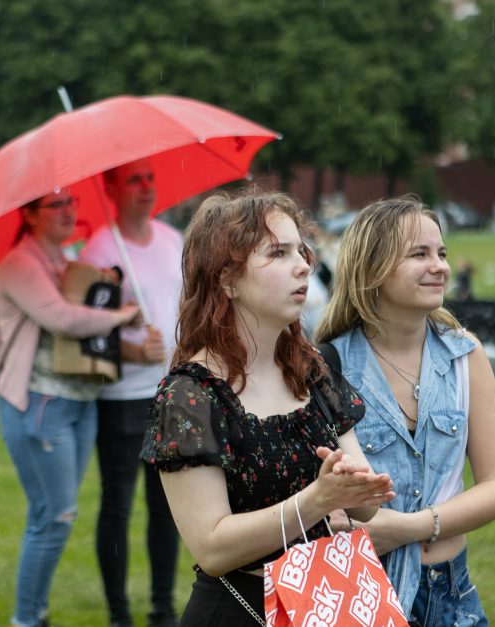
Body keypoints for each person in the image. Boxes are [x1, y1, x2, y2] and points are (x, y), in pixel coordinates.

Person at [140, 189, 396, 626]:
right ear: (226, 279)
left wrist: (357, 488)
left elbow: (365, 508)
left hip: (322, 600)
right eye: (278, 253)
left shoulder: (310, 368)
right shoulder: (189, 397)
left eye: (302, 250)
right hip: (238, 612)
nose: (303, 265)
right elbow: (212, 548)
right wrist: (317, 500)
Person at [314, 196, 495, 625]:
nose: (440, 266)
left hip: (451, 594)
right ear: (373, 269)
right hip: (363, 590)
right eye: (419, 254)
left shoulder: (465, 355)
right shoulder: (327, 365)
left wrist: (410, 526)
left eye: (441, 253)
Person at [0, 189, 142, 627]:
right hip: (42, 404)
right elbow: (61, 319)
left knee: (59, 515)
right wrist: (121, 316)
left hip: (81, 403)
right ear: (29, 214)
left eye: (70, 203)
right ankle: (27, 619)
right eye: (54, 206)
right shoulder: (20, 263)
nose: (67, 212)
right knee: (53, 517)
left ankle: (33, 614)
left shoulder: (66, 260)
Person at [78, 160, 183, 627]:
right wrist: (133, 352)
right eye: (133, 181)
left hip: (173, 392)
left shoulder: (171, 241)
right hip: (121, 399)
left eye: (149, 178)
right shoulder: (98, 252)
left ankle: (163, 608)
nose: (145, 188)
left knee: (168, 506)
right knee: (118, 505)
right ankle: (119, 614)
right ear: (111, 188)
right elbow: (84, 340)